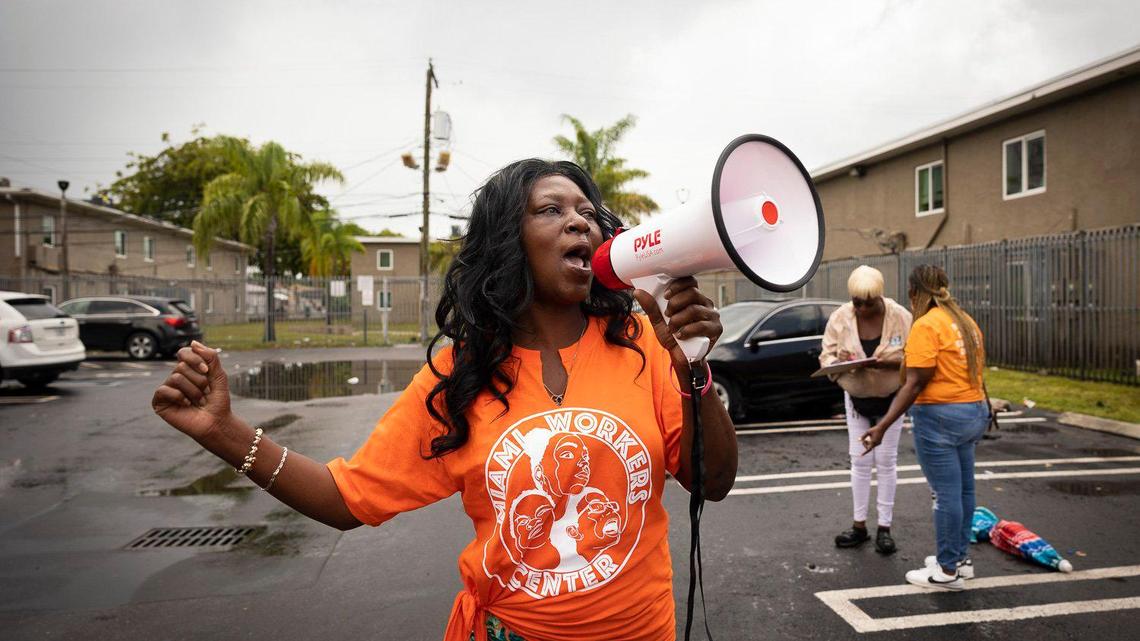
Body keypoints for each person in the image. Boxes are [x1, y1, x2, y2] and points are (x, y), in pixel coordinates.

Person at [151, 159, 738, 641]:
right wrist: (221, 432)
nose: (579, 223)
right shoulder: (460, 375)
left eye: (588, 212)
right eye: (552, 211)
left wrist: (694, 369)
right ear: (509, 240)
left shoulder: (641, 344)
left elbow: (711, 481)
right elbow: (345, 498)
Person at [861, 264, 988, 591]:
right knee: (964, 491)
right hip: (973, 411)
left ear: (915, 292)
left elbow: (915, 383)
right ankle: (961, 560)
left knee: (945, 495)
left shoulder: (927, 325)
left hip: (940, 416)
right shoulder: (965, 322)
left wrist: (882, 428)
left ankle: (946, 571)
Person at [819, 265, 912, 555]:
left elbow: (915, 357)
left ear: (879, 297)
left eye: (867, 303)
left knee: (886, 462)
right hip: (857, 399)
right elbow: (826, 356)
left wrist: (887, 364)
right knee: (859, 462)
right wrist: (840, 365)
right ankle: (859, 526)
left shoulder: (900, 316)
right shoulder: (840, 317)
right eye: (856, 302)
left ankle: (884, 528)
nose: (860, 308)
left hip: (891, 400)